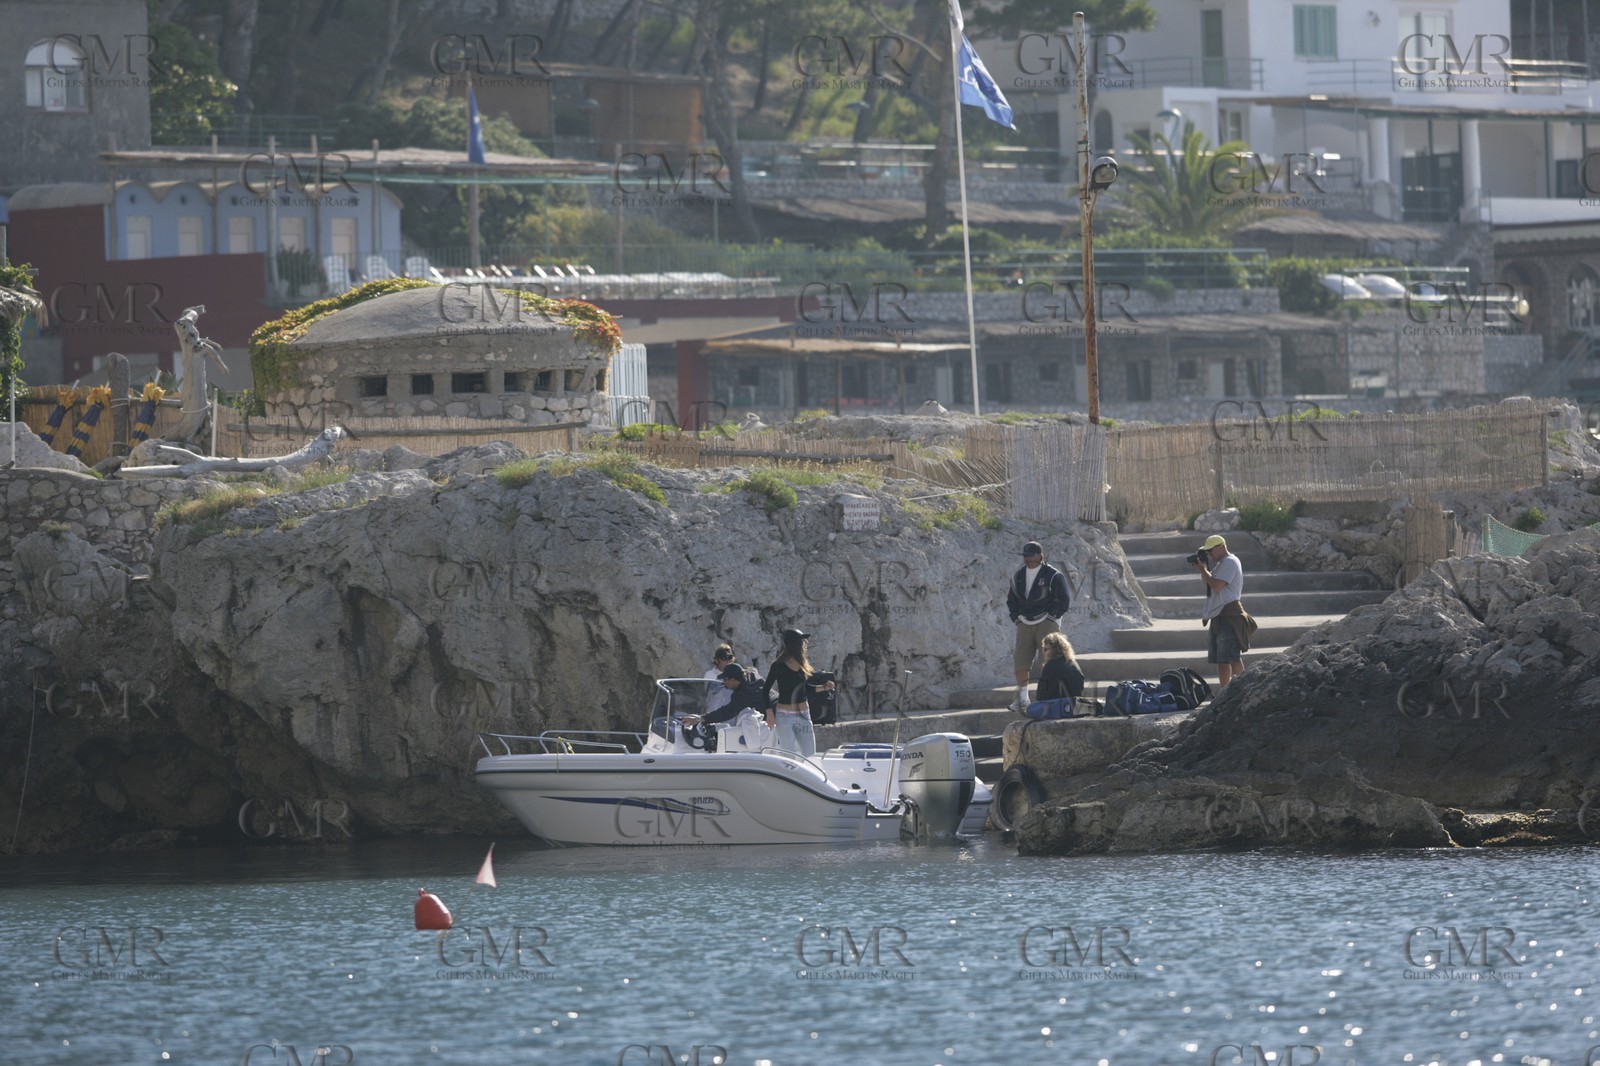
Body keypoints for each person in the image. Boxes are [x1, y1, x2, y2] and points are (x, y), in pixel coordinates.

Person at [1005, 540, 1071, 712]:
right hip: (1024, 622)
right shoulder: (1018, 576)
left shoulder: (1053, 575)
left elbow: (1064, 599)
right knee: (1021, 662)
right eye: (1026, 556)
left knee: (1048, 662)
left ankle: (1048, 698)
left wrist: (1052, 617)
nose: (1028, 558)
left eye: (1031, 555)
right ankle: (1022, 699)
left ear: (1041, 555)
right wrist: (1017, 618)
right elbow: (1011, 600)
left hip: (1046, 622)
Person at [760, 628, 833, 757]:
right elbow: (765, 690)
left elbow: (805, 688)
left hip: (804, 715)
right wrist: (769, 713)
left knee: (810, 755)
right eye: (803, 641)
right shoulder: (778, 666)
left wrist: (823, 687)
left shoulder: (802, 664)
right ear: (796, 644)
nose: (806, 643)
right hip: (784, 716)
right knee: (788, 756)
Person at [1193, 533, 1247, 687]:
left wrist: (1204, 570)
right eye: (1207, 551)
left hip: (1228, 614)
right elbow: (1209, 584)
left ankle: (1242, 690)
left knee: (1232, 657)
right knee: (1221, 659)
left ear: (1222, 547)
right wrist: (1204, 569)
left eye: (1211, 550)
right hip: (1219, 614)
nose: (1209, 554)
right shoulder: (1222, 564)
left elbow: (1217, 585)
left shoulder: (1229, 562)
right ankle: (1224, 692)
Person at [1033, 632, 1085, 702]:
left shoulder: (1051, 666)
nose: (1043, 652)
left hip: (1058, 704)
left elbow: (1041, 695)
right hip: (1075, 704)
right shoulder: (1073, 664)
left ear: (1055, 650)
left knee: (1032, 707)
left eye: (1046, 649)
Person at [702, 644, 736, 716]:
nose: (727, 661)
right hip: (714, 713)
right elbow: (711, 696)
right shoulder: (710, 675)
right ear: (716, 661)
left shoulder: (737, 674)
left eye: (730, 657)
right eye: (724, 658)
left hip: (731, 713)